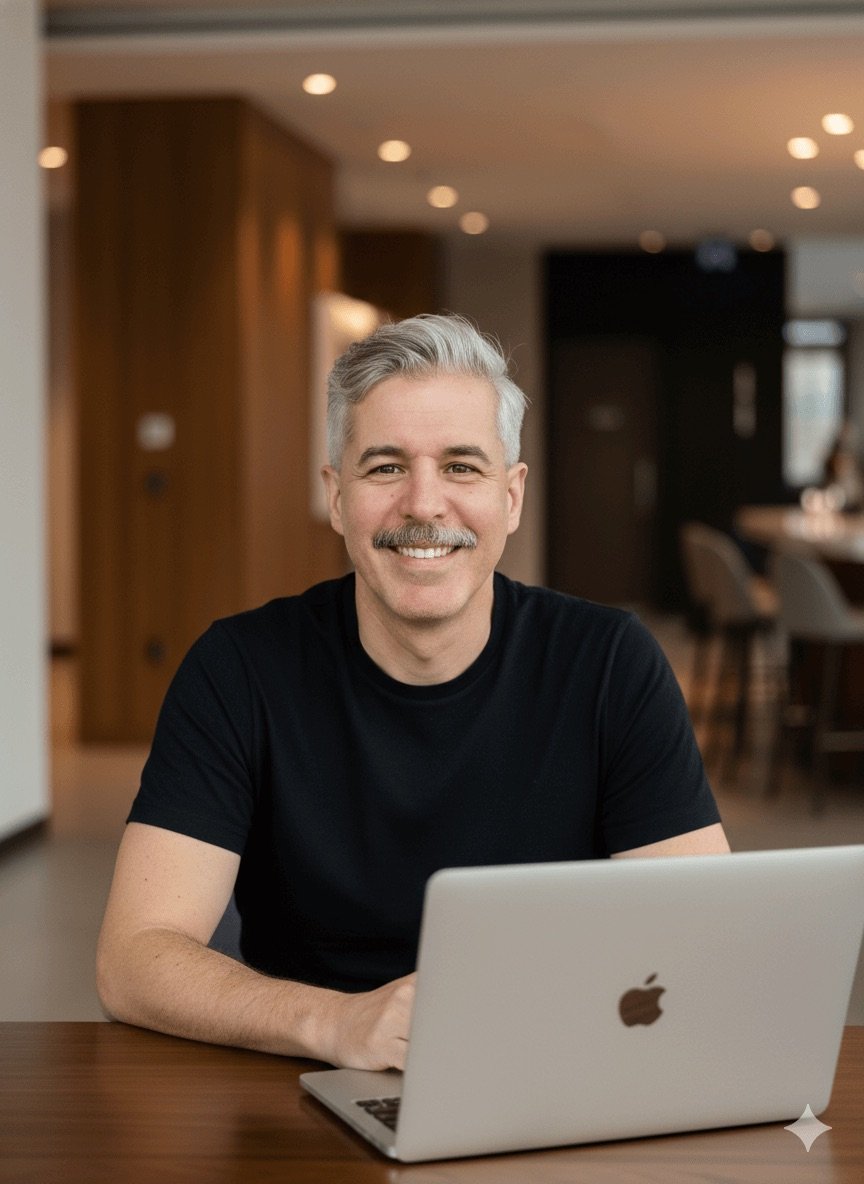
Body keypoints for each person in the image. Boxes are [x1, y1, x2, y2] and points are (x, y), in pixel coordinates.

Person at [96, 313, 729, 1072]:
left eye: (461, 466)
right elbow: (132, 959)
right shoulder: (238, 669)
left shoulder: (610, 664)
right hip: (302, 1083)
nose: (424, 505)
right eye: (386, 467)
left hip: (556, 1070)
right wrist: (334, 1023)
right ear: (337, 496)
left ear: (511, 495)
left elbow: (701, 937)